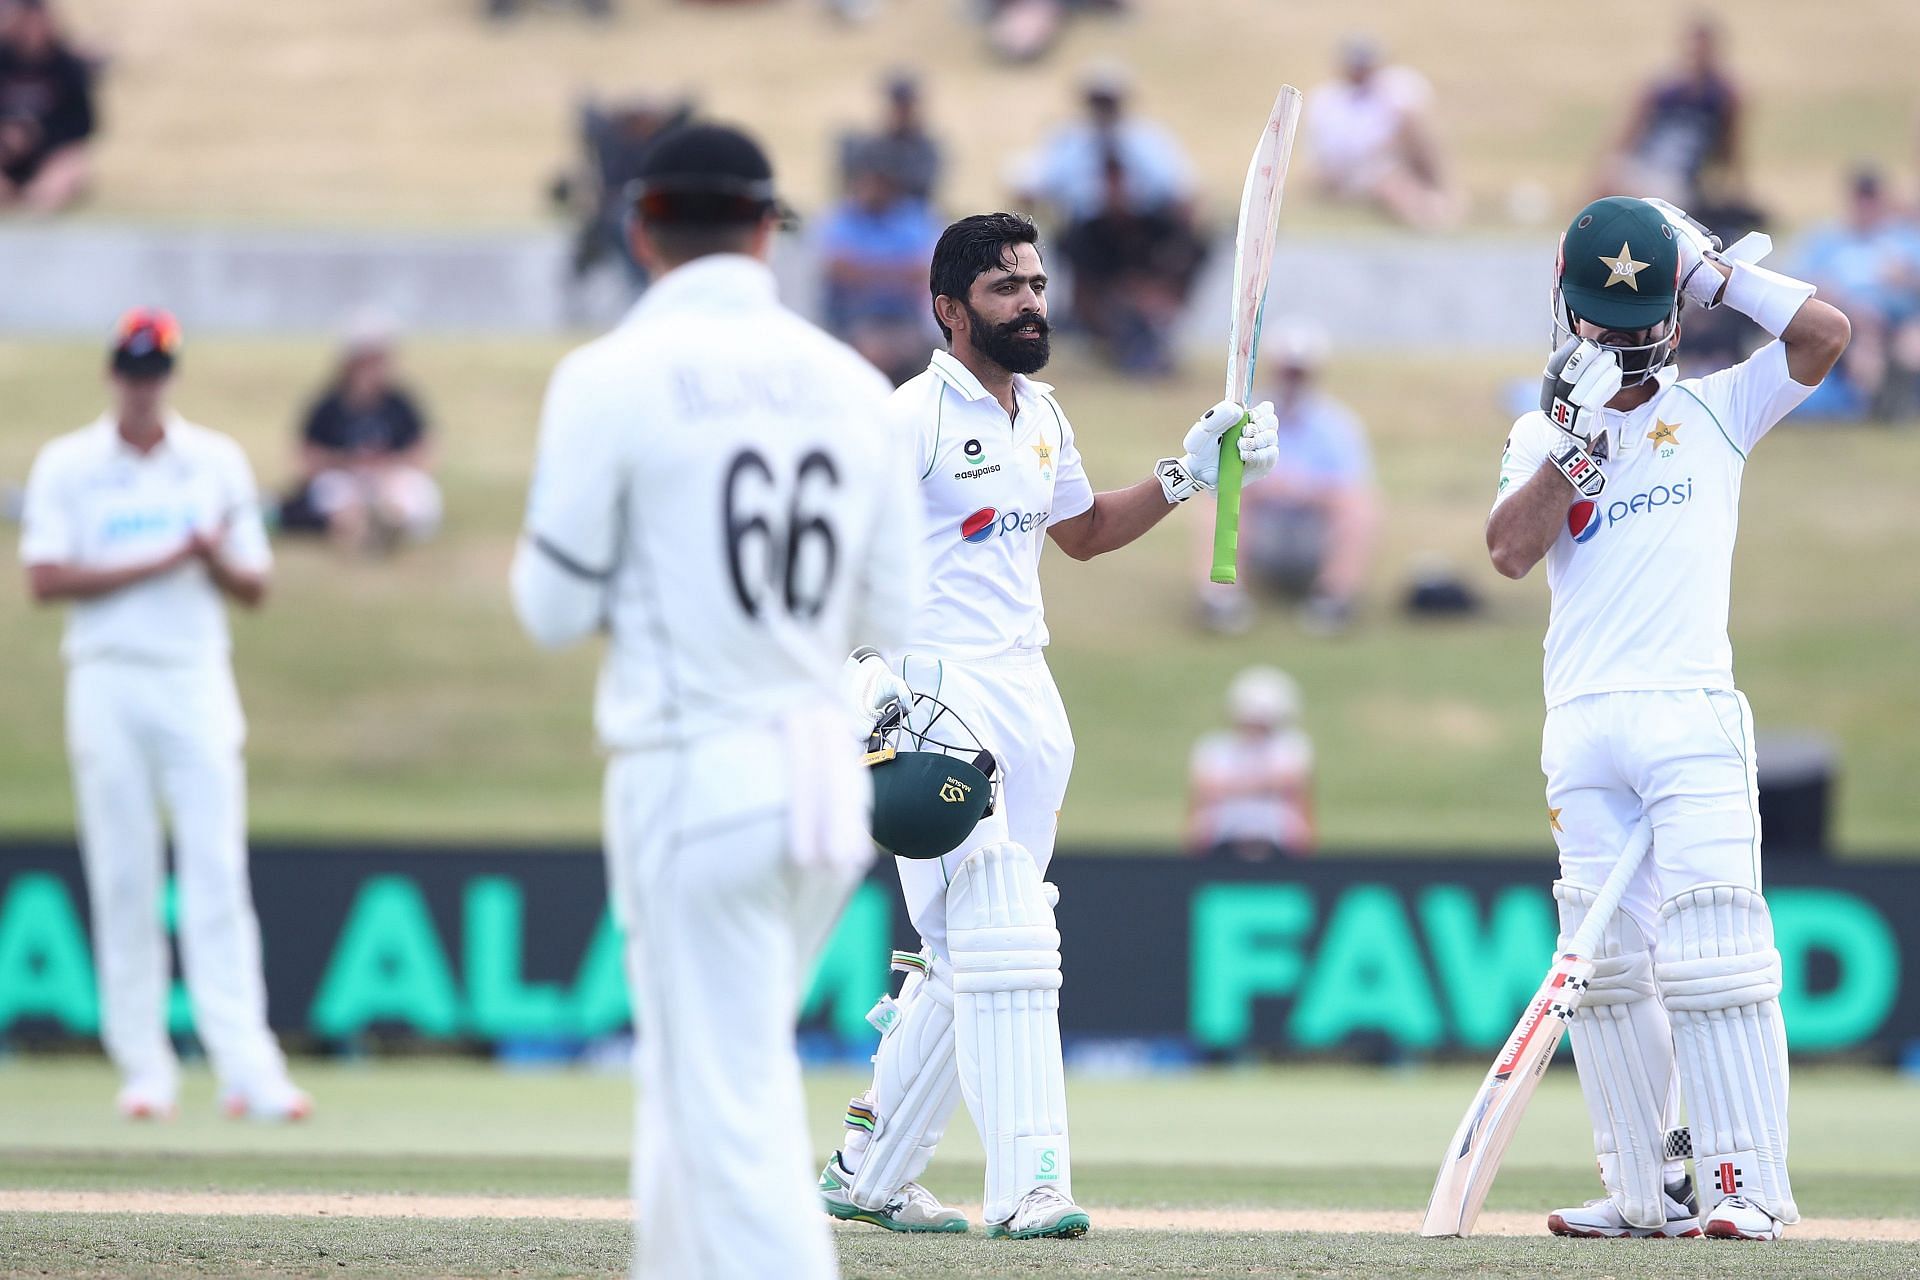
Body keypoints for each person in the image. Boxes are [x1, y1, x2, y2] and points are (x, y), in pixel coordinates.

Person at [509, 123, 924, 1280]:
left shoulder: (609, 376)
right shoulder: (852, 384)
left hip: (696, 768)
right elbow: (890, 611)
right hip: (823, 775)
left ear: (641, 231)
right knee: (696, 1089)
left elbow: (549, 607)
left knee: (729, 1104)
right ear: (765, 229)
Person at [815, 212, 1279, 1240]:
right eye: (1005, 288)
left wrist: (1191, 467)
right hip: (931, 693)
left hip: (1029, 691)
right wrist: (861, 690)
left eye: (1035, 282)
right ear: (949, 310)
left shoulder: (1042, 414)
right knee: (1009, 937)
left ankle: (867, 1169)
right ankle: (1031, 1182)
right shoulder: (907, 420)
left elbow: (1082, 534)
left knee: (962, 950)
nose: (1031, 301)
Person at [1487, 195, 1849, 1241]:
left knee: (1719, 951)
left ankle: (1743, 1183)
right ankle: (1644, 1189)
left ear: (1671, 318)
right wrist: (1575, 439)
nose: (1614, 339)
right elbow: (1511, 552)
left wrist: (1716, 274)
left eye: (1633, 319)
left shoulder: (1719, 407)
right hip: (1582, 718)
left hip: (1690, 710)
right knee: (1604, 969)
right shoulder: (1539, 428)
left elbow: (1829, 336)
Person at [18, 308, 309, 1123]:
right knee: (123, 873)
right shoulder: (70, 464)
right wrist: (166, 556)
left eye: (156, 372)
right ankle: (144, 1066)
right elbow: (44, 579)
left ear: (169, 377)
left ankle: (247, 1063)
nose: (144, 386)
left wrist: (210, 554)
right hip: (107, 678)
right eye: (132, 370)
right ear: (113, 373)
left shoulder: (213, 460)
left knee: (215, 868)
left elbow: (256, 587)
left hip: (193, 677)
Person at [1014, 65, 1203, 371]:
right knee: (1071, 245)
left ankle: (1154, 308)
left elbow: (1181, 187)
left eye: (1109, 101)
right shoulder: (1068, 141)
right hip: (1092, 232)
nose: (1103, 109)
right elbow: (1034, 183)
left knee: (1189, 247)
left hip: (1144, 227)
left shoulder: (1148, 139)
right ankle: (1103, 320)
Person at [1196, 323, 1377, 634]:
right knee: (1215, 499)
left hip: (1314, 534)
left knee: (1360, 506)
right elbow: (1221, 477)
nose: (1292, 380)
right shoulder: (1243, 418)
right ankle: (1221, 599)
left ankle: (1333, 601)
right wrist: (1269, 486)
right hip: (1260, 531)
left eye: (1300, 372)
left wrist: (1301, 488)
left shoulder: (1338, 425)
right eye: (1287, 371)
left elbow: (1352, 488)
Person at [278, 316, 441, 552]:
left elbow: (424, 450)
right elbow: (305, 456)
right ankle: (356, 531)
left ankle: (389, 525)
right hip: (345, 478)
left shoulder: (400, 403)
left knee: (415, 492)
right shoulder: (329, 405)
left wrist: (387, 467)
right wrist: (347, 464)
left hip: (389, 478)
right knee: (332, 491)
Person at [1790, 167, 1920, 418]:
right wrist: (1841, 301)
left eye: (1872, 201)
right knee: (1864, 345)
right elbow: (1799, 279)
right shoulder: (1827, 240)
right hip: (1845, 320)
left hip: (1898, 319)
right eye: (1861, 200)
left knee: (1911, 341)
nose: (1866, 208)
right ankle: (1874, 403)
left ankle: (1897, 399)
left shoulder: (1904, 239)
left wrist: (1905, 279)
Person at [1304, 35, 1459, 231]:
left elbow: (1416, 128)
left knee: (1410, 133)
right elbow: (1330, 155)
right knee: (1388, 183)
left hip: (1392, 162)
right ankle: (1427, 217)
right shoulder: (1327, 101)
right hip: (1349, 170)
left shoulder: (1395, 88)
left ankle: (1441, 196)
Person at [1593, 15, 1745, 213]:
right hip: (1648, 167)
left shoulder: (1722, 96)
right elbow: (1624, 139)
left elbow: (1730, 150)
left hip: (1680, 181)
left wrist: (1732, 191)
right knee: (1612, 175)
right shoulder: (1661, 91)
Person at [818, 150, 944, 385]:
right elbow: (838, 269)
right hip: (853, 317)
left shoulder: (913, 216)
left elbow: (924, 271)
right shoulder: (842, 216)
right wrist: (896, 271)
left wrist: (866, 270)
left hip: (904, 319)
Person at [1185, 667, 1314, 859]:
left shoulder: (1291, 746)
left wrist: (1231, 787)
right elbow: (1202, 795)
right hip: (1223, 838)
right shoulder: (1212, 747)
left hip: (1276, 840)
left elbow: (1295, 791)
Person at [0, 0, 95, 213]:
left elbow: (82, 123)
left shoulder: (67, 67)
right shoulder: (3, 62)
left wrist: (38, 134)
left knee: (71, 166)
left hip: (48, 155)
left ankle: (36, 207)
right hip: (5, 154)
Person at [838, 71, 941, 205]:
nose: (901, 112)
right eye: (897, 106)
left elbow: (923, 191)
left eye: (906, 106)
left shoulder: (925, 150)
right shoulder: (868, 144)